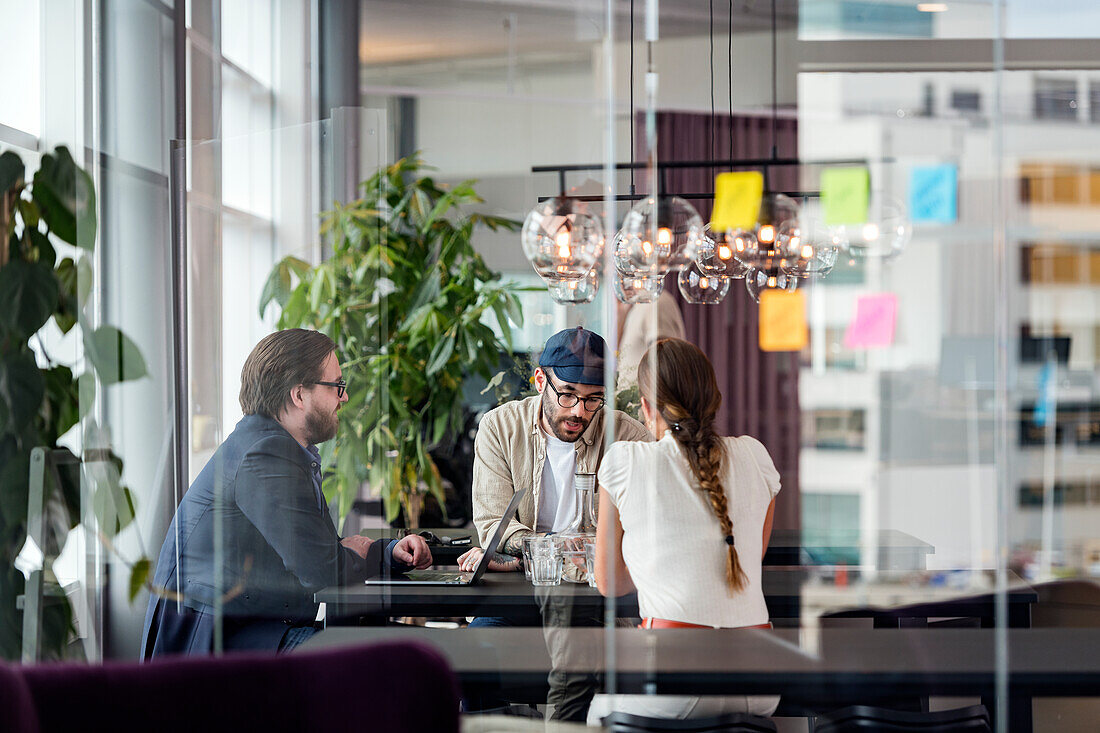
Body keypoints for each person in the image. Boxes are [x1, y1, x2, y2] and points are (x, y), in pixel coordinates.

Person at [141, 329, 432, 657]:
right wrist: (362, 555)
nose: (344, 397)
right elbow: (321, 568)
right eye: (337, 386)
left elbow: (317, 553)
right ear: (299, 395)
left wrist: (387, 552)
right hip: (219, 644)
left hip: (250, 629)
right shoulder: (264, 453)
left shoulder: (279, 448)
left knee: (404, 651)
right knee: (403, 657)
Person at [459, 326, 650, 721]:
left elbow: (644, 531)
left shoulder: (629, 438)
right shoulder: (500, 428)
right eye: (568, 395)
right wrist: (567, 550)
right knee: (473, 653)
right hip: (521, 593)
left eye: (594, 400)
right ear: (540, 380)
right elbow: (496, 525)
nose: (580, 411)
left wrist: (536, 551)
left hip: (597, 599)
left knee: (597, 665)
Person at [589, 337, 781, 724]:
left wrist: (658, 569)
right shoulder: (755, 455)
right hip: (761, 680)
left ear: (645, 407)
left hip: (672, 680)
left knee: (595, 713)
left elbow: (609, 582)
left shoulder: (625, 461)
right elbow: (746, 556)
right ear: (714, 398)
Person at [615, 289, 686, 393]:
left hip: (648, 406)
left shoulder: (654, 302)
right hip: (637, 406)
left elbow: (664, 363)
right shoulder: (635, 307)